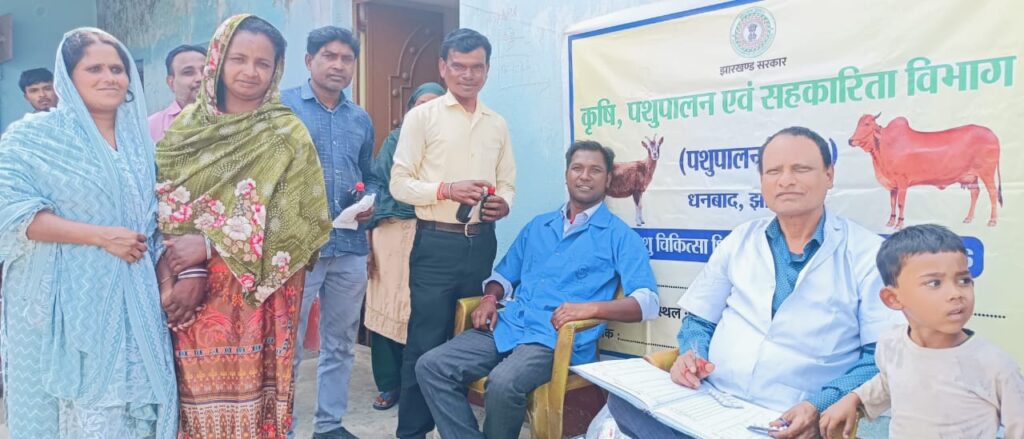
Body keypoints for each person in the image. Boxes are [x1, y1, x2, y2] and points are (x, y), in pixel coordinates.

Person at [608, 126, 902, 439]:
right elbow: (699, 320)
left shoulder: (868, 254)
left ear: (829, 175)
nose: (786, 180)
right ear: (762, 181)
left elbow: (879, 357)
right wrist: (691, 355)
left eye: (801, 169)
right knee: (622, 402)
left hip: (789, 418)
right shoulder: (741, 239)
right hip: (712, 402)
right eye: (773, 171)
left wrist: (818, 405)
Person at [154, 14, 331, 438]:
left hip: (262, 298)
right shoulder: (186, 130)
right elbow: (161, 201)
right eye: (239, 59)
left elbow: (302, 222)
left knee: (257, 405)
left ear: (276, 69)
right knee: (192, 401)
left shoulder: (287, 134)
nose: (250, 71)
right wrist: (182, 271)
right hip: (192, 292)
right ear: (218, 60)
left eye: (262, 63)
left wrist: (209, 245)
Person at [416, 140, 660, 439]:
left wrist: (590, 308)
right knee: (432, 366)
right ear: (566, 175)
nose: (585, 176)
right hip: (510, 324)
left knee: (503, 384)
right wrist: (490, 298)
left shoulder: (619, 235)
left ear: (608, 179)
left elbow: (647, 302)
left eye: (595, 170)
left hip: (554, 338)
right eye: (577, 168)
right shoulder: (539, 226)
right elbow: (503, 275)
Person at [0, 28, 177, 438]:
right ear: (69, 77)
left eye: (117, 69)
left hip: (133, 302)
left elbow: (155, 223)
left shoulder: (139, 145)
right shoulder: (33, 137)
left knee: (133, 411)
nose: (109, 77)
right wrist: (100, 236)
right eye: (94, 69)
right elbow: (11, 211)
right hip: (64, 304)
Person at [390, 28, 517, 439]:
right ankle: (412, 433)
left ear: (487, 70)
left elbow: (508, 182)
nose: (468, 75)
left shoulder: (497, 123)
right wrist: (445, 190)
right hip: (436, 241)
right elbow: (399, 184)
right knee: (425, 341)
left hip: (481, 243)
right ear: (443, 68)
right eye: (459, 66)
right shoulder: (422, 117)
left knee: (467, 340)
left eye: (476, 67)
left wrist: (504, 204)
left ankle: (455, 430)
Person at [819, 224, 1024, 439]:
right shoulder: (891, 344)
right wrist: (854, 399)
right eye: (934, 283)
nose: (956, 293)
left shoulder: (994, 366)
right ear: (893, 298)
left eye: (963, 280)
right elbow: (888, 383)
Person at [279, 25, 378, 439]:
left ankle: (329, 425)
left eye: (346, 59)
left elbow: (370, 174)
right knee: (288, 346)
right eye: (329, 56)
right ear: (309, 61)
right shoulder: (283, 109)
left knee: (340, 343)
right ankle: (283, 427)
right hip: (298, 249)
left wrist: (370, 201)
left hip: (349, 247)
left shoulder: (360, 119)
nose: (338, 65)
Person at [365, 81, 445, 411]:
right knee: (385, 307)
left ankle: (419, 383)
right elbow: (380, 187)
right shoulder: (395, 141)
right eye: (420, 104)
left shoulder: (450, 143)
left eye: (435, 105)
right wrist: (368, 238)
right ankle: (389, 382)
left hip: (432, 232)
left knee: (421, 310)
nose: (427, 111)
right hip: (390, 230)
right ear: (410, 109)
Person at [148, 44, 206, 142]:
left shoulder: (227, 117)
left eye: (205, 71)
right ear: (171, 83)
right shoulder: (151, 127)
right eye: (188, 72)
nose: (200, 78)